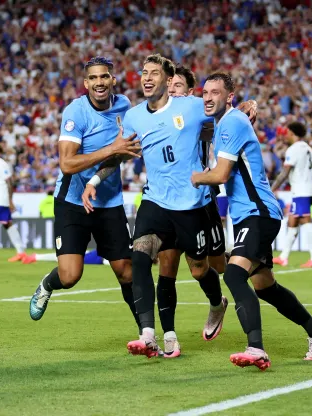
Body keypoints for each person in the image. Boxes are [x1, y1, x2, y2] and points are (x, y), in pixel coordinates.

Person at [84, 54, 229, 358]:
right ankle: (148, 333)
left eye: (154, 73)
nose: (147, 78)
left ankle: (217, 303)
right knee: (140, 255)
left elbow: (224, 116)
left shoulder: (189, 106)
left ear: (167, 78)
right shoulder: (135, 116)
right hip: (154, 201)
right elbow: (120, 153)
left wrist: (245, 111)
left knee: (201, 268)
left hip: (191, 204)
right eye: (144, 73)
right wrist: (95, 180)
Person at [191, 72, 312, 370]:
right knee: (266, 286)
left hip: (258, 213)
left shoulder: (231, 122)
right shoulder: (225, 123)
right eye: (204, 92)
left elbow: (219, 176)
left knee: (232, 276)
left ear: (229, 96)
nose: (207, 97)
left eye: (215, 92)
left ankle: (255, 348)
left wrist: (195, 178)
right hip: (251, 215)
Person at [27, 57, 142, 331]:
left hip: (109, 201)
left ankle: (146, 333)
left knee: (126, 271)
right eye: (94, 78)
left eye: (105, 76)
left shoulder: (126, 107)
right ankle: (46, 284)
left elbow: (124, 151)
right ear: (86, 83)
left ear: (113, 79)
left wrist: (112, 158)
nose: (99, 82)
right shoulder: (75, 112)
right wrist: (110, 149)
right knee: (70, 276)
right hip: (71, 201)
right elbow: (67, 164)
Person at [270, 122, 312, 268]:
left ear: (292, 133)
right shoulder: (309, 149)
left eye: (287, 132)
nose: (285, 135)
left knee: (306, 220)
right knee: (292, 222)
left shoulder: (293, 149)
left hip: (301, 190)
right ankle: (283, 257)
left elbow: (285, 173)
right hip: (306, 189)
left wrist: (271, 189)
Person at [24, 250, 108, 266]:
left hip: (99, 254)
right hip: (98, 257)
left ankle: (36, 257)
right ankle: (36, 257)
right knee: (65, 257)